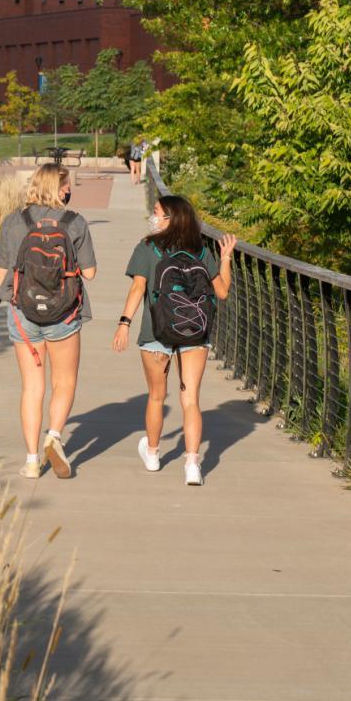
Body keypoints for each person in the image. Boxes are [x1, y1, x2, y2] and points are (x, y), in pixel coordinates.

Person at [0, 164, 98, 479]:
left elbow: (0, 274)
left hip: (23, 313)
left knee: (32, 388)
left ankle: (32, 460)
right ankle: (54, 437)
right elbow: (89, 273)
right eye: (66, 186)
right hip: (64, 313)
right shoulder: (75, 223)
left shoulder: (14, 222)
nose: (69, 191)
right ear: (58, 189)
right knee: (64, 382)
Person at [113, 194, 236, 485]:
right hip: (195, 331)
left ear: (170, 218)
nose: (152, 217)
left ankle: (153, 454)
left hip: (156, 333)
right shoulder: (201, 251)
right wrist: (226, 257)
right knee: (190, 398)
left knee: (157, 396)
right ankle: (193, 465)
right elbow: (222, 292)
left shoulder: (147, 248)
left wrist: (124, 323)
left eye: (156, 212)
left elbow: (137, 289)